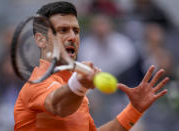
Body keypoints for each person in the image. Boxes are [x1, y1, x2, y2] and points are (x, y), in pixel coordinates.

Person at [14, 1, 169, 131]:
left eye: (76, 31)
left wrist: (134, 110)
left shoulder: (76, 92)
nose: (72, 37)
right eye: (63, 30)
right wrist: (79, 85)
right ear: (41, 40)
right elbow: (58, 106)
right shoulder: (37, 85)